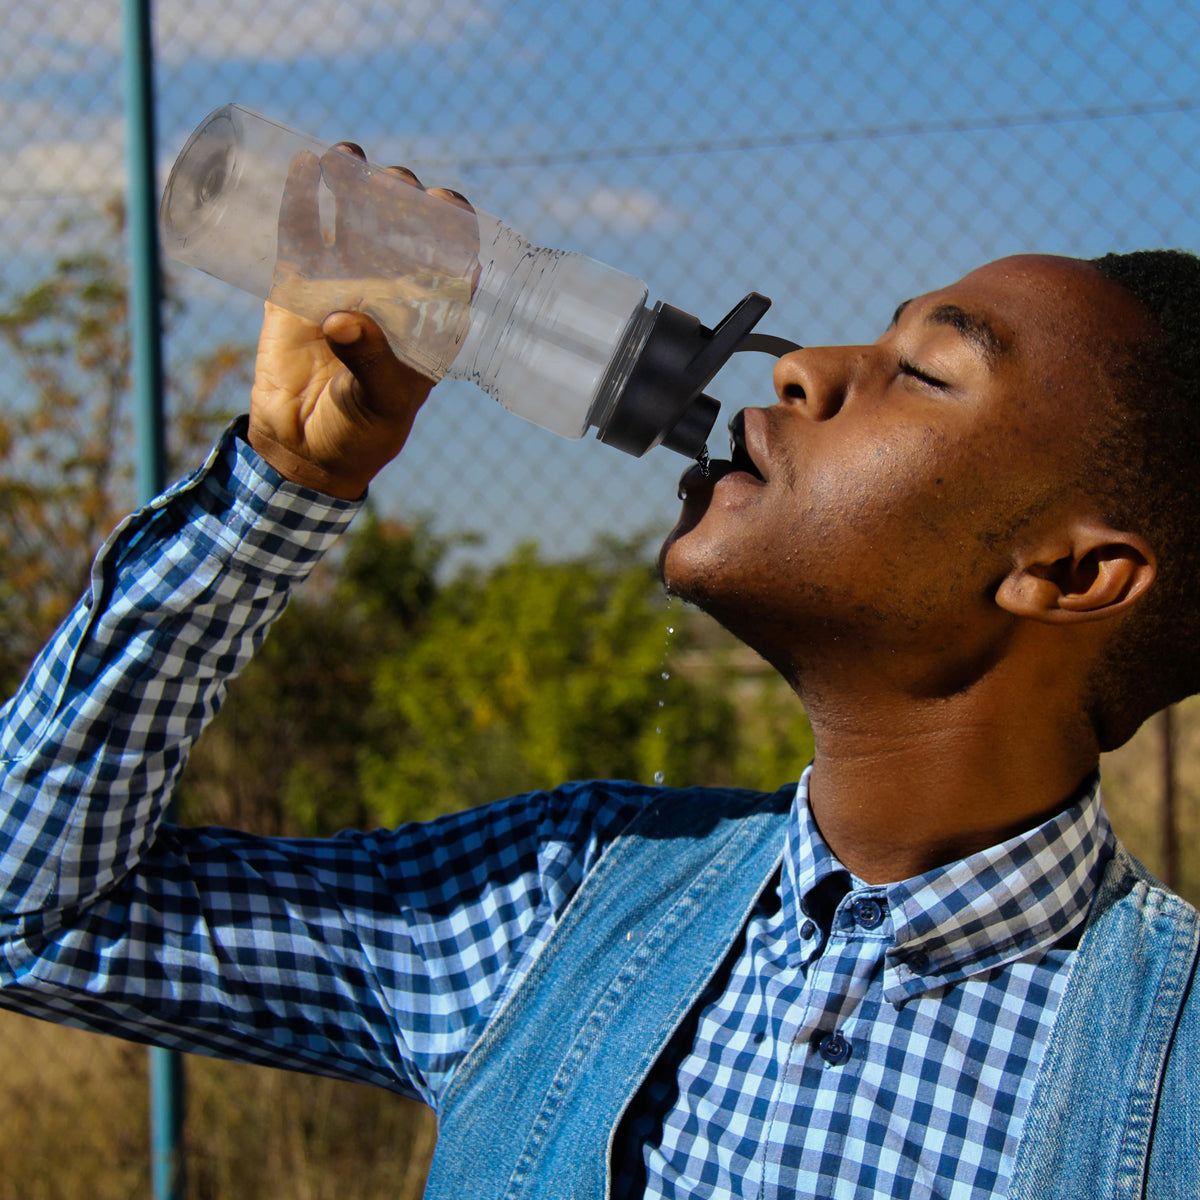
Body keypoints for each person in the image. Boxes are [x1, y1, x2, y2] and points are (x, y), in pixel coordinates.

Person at [1, 157, 1198, 1196]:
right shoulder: (565, 901)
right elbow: (35, 919)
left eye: (925, 373)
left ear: (1072, 573)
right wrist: (283, 486)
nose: (802, 369)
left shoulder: (1173, 1074)